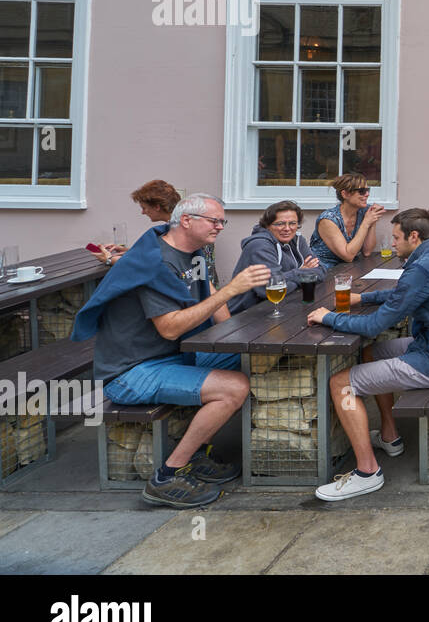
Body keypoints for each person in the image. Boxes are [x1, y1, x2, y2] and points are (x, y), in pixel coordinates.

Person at [71, 193, 271, 508]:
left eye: (223, 221)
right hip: (131, 370)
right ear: (186, 220)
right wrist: (235, 289)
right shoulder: (155, 262)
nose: (220, 227)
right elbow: (171, 327)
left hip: (173, 354)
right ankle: (168, 474)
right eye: (214, 220)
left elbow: (211, 293)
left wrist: (237, 337)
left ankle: (200, 454)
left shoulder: (195, 252)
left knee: (250, 356)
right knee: (235, 387)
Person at [307, 208, 429, 501]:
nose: (393, 244)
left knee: (340, 383)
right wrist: (365, 297)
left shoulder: (421, 268)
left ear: (414, 236)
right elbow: (405, 293)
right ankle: (390, 435)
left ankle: (367, 472)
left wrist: (328, 318)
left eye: (397, 238)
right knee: (371, 352)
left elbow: (375, 324)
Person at [93, 179, 220, 287]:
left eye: (144, 207)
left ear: (157, 207)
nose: (143, 212)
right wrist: (129, 251)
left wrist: (109, 259)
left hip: (196, 296)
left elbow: (148, 266)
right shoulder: (191, 222)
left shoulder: (176, 231)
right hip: (208, 289)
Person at [227, 201, 322, 314]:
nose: (287, 228)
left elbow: (321, 271)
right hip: (246, 315)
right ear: (267, 225)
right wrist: (302, 273)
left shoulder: (297, 241)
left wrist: (283, 278)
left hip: (282, 307)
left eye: (292, 223)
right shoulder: (259, 245)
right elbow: (267, 289)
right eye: (280, 223)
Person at [308, 171, 386, 270]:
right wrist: (366, 222)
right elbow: (348, 256)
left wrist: (373, 219)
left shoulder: (364, 212)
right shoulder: (328, 219)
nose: (367, 194)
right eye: (362, 191)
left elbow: (367, 251)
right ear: (345, 194)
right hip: (323, 269)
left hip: (348, 268)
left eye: (368, 190)